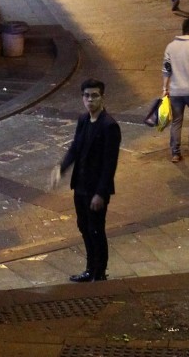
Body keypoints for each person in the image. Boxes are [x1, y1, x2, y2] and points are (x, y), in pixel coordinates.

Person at [53, 79, 121, 282]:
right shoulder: (83, 120)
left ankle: (99, 273)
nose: (90, 100)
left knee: (96, 229)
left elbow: (110, 164)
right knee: (84, 227)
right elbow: (75, 147)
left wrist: (101, 193)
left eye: (95, 96)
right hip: (80, 186)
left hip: (96, 190)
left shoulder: (109, 126)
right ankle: (90, 269)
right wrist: (61, 168)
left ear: (102, 97)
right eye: (87, 96)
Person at [162, 17, 189, 163]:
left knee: (176, 121)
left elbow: (166, 69)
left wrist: (165, 88)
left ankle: (175, 152)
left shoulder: (170, 47)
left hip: (175, 91)